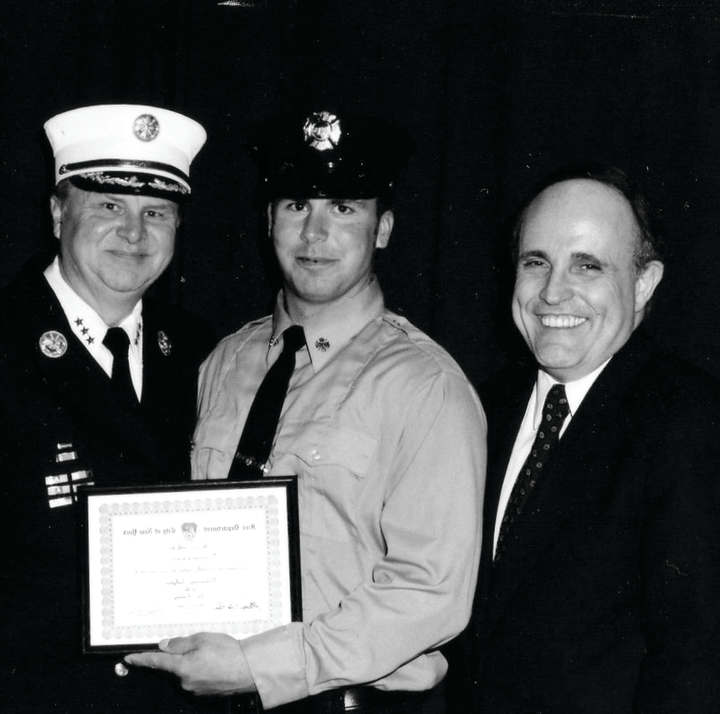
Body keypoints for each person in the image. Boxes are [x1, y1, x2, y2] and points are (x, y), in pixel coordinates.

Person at [126, 110, 487, 713]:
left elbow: (430, 592)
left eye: (343, 208)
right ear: (269, 220)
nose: (314, 233)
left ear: (383, 229)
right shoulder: (224, 361)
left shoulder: (426, 386)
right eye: (296, 205)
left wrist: (262, 667)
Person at [0, 104, 215, 714]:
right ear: (58, 212)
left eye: (155, 212)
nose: (134, 233)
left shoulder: (202, 349)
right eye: (109, 206)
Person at [449, 165, 720, 712]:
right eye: (536, 262)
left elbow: (700, 667)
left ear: (644, 283)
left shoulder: (689, 421)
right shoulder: (483, 404)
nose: (552, 292)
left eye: (587, 265)